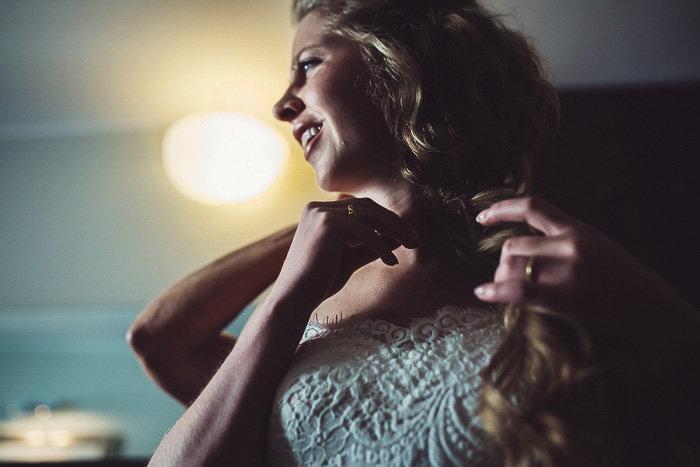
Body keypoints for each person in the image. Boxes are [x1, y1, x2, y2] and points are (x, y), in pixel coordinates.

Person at [128, 0, 700, 465]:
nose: (281, 105)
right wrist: (289, 284)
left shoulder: (559, 271)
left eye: (308, 64)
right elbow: (156, 341)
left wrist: (654, 305)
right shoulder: (311, 289)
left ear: (398, 63)